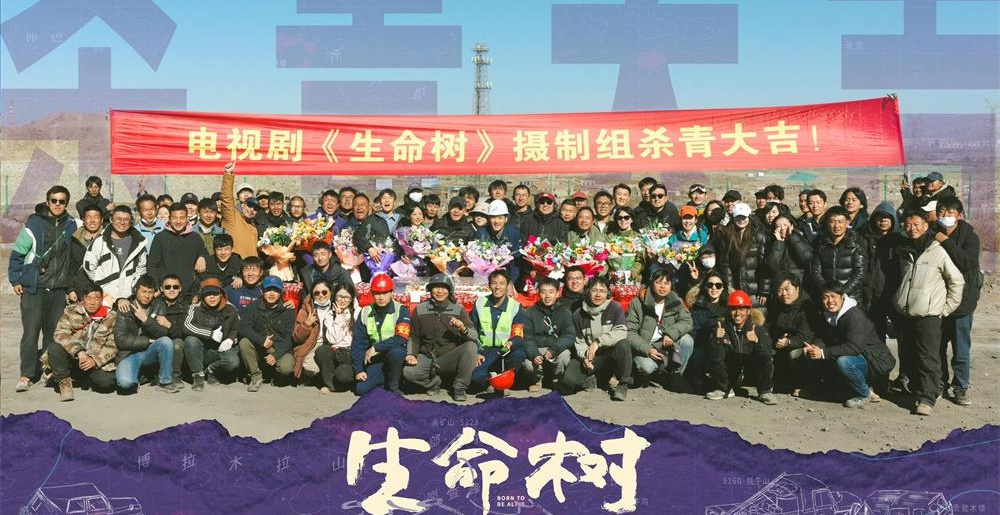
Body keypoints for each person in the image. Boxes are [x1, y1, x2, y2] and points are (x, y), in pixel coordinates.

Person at [893, 211, 964, 416]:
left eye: (916, 224)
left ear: (926, 226)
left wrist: (946, 308)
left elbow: (956, 281)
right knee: (908, 354)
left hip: (929, 315)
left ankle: (927, 398)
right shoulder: (904, 251)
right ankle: (916, 390)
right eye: (908, 225)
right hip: (905, 313)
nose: (912, 228)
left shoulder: (937, 251)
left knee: (928, 357)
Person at [10, 185, 79, 392]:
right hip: (35, 288)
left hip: (58, 289)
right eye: (54, 201)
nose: (58, 204)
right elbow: (17, 254)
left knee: (52, 334)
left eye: (62, 201)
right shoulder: (34, 225)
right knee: (31, 333)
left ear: (66, 203)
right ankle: (26, 374)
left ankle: (48, 371)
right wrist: (16, 280)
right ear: (48, 202)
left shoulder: (71, 225)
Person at [804, 282, 895, 408]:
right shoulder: (827, 315)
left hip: (874, 359)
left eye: (833, 296)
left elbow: (853, 347)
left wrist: (823, 353)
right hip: (858, 356)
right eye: (825, 297)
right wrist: (815, 347)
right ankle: (840, 389)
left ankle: (864, 393)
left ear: (842, 297)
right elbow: (822, 336)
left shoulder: (854, 315)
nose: (830, 301)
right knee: (811, 355)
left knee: (844, 362)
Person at [933, 197, 981, 406]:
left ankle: (960, 387)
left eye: (950, 212)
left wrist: (944, 241)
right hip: (938, 300)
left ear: (959, 215)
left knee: (961, 349)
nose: (945, 216)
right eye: (941, 211)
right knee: (937, 346)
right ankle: (940, 383)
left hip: (962, 301)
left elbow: (967, 262)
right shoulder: (932, 232)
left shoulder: (970, 237)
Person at [404, 274, 479, 402]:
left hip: (449, 358)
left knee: (471, 347)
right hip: (427, 357)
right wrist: (412, 354)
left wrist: (462, 328)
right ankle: (434, 383)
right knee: (409, 372)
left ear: (449, 290)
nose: (440, 291)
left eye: (444, 287)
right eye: (436, 287)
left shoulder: (458, 309)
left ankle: (460, 387)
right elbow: (414, 335)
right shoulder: (420, 309)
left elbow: (474, 335)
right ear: (430, 290)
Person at [563, 276, 632, 400]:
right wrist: (584, 357)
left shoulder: (615, 308)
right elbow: (579, 342)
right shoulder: (578, 314)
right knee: (569, 380)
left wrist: (598, 342)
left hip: (610, 354)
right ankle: (593, 379)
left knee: (623, 345)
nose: (598, 294)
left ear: (608, 293)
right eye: (594, 290)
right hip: (591, 356)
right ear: (588, 291)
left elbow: (621, 332)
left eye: (602, 291)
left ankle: (623, 384)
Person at [625, 268, 695, 391]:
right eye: (658, 282)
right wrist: (647, 349)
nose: (662, 287)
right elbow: (629, 332)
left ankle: (675, 375)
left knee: (687, 340)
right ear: (651, 283)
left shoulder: (676, 301)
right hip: (646, 346)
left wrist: (670, 334)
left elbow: (687, 321)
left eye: (666, 283)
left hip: (666, 345)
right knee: (646, 367)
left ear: (671, 285)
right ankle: (650, 376)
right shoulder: (637, 303)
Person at [47, 283, 118, 400]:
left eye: (96, 299)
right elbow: (60, 333)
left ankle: (80, 379)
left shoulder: (110, 317)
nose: (92, 302)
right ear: (82, 299)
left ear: (102, 300)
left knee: (106, 383)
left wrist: (95, 360)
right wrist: (79, 351)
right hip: (74, 357)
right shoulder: (71, 312)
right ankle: (64, 381)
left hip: (93, 361)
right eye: (88, 298)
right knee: (54, 348)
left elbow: (113, 345)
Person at [705, 290, 776, 405]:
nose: (737, 313)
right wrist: (716, 341)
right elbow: (714, 357)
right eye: (734, 309)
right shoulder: (720, 327)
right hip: (730, 373)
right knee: (715, 353)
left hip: (751, 372)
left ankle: (765, 391)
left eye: (741, 309)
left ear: (748, 311)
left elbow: (768, 354)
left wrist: (757, 341)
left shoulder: (758, 328)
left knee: (764, 356)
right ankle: (723, 389)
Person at [112, 275, 180, 394]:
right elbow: (121, 340)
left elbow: (163, 333)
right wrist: (147, 341)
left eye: (150, 292)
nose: (147, 296)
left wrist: (146, 320)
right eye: (144, 291)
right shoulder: (125, 307)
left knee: (166, 342)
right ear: (136, 290)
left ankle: (165, 382)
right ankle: (140, 374)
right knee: (125, 383)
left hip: (149, 352)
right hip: (129, 354)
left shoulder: (158, 305)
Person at [348, 274, 409, 395]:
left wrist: (376, 347)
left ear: (391, 293)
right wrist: (358, 370)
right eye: (377, 293)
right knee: (361, 389)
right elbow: (358, 343)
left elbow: (401, 337)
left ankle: (394, 387)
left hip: (395, 356)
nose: (381, 297)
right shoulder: (365, 311)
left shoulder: (401, 310)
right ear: (372, 294)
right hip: (376, 359)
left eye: (385, 293)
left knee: (397, 352)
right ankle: (385, 379)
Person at [469, 270, 526, 394]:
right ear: (489, 285)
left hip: (505, 350)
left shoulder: (515, 307)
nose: (498, 287)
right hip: (485, 351)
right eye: (494, 283)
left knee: (519, 354)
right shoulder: (480, 303)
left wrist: (511, 343)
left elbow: (518, 334)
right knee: (475, 378)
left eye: (502, 283)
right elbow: (471, 329)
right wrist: (476, 351)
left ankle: (505, 382)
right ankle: (491, 381)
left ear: (507, 286)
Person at [766, 273, 823, 394]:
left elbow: (805, 337)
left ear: (797, 288)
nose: (783, 294)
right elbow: (771, 327)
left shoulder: (807, 307)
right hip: (784, 341)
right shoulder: (777, 304)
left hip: (809, 343)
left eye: (787, 289)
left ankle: (806, 385)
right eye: (779, 290)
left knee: (794, 354)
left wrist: (788, 342)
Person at [239, 276, 296, 391]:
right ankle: (255, 376)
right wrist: (261, 340)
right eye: (268, 290)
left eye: (276, 290)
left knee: (286, 367)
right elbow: (243, 328)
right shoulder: (253, 306)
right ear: (262, 291)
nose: (272, 293)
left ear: (281, 292)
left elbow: (289, 338)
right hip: (260, 345)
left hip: (279, 347)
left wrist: (276, 355)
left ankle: (275, 376)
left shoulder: (288, 310)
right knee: (244, 343)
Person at [182, 278, 240, 391]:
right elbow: (187, 326)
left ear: (221, 294)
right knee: (190, 340)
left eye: (215, 293)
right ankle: (198, 375)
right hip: (202, 350)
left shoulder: (231, 308)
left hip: (220, 349)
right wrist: (210, 333)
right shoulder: (194, 308)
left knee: (233, 362)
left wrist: (230, 340)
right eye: (208, 294)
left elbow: (236, 328)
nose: (212, 297)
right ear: (202, 296)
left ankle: (211, 371)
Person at [83, 205, 147, 306]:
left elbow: (142, 267)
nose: (122, 222)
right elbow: (89, 266)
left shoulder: (139, 242)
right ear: (111, 220)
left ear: (131, 221)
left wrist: (133, 286)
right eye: (118, 219)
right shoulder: (100, 242)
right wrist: (102, 282)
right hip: (105, 298)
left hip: (130, 298)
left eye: (126, 219)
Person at [294, 279, 351, 392]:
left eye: (324, 292)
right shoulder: (306, 309)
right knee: (311, 368)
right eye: (317, 293)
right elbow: (297, 337)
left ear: (331, 293)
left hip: (335, 343)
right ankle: (317, 378)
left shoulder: (338, 306)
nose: (321, 295)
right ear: (312, 295)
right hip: (314, 344)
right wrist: (306, 324)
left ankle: (331, 379)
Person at [521, 277, 575, 392]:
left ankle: (557, 380)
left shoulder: (565, 312)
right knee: (528, 364)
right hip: (538, 348)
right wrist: (534, 354)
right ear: (538, 293)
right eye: (543, 292)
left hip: (555, 348)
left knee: (565, 355)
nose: (547, 296)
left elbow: (569, 336)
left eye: (551, 292)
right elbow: (527, 337)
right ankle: (537, 380)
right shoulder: (530, 312)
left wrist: (553, 350)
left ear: (557, 293)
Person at [149, 203, 208, 299]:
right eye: (175, 218)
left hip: (189, 294)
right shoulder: (160, 238)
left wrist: (202, 257)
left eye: (182, 218)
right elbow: (152, 265)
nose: (178, 221)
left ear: (187, 218)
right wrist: (157, 287)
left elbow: (204, 253)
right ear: (169, 219)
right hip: (166, 292)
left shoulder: (195, 238)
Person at [808, 206, 867, 304]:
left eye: (840, 222)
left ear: (847, 222)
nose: (836, 226)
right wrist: (828, 292)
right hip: (827, 298)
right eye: (832, 221)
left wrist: (841, 293)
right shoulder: (820, 243)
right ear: (827, 222)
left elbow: (860, 273)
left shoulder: (857, 243)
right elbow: (816, 271)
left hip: (850, 298)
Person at [717, 203, 770, 309]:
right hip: (736, 285)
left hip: (756, 288)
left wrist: (764, 290)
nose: (741, 220)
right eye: (738, 217)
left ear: (749, 217)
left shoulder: (758, 236)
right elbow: (725, 265)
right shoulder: (726, 236)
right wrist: (730, 287)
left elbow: (765, 265)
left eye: (744, 217)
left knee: (757, 315)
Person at [686, 271, 730, 389]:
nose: (714, 288)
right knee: (697, 353)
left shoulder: (729, 308)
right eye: (710, 285)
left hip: (725, 346)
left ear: (723, 288)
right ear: (705, 287)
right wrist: (711, 334)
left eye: (718, 285)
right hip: (703, 346)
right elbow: (693, 332)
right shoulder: (697, 307)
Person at [149, 274, 190, 387]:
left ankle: (175, 376)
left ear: (180, 288)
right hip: (158, 339)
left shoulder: (185, 306)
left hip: (176, 339)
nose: (171, 290)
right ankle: (153, 374)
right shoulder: (154, 303)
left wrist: (168, 325)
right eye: (167, 287)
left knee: (177, 344)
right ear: (161, 289)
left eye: (175, 287)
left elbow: (183, 331)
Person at [475, 200, 525, 284]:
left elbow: (516, 262)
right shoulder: (481, 233)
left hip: (507, 276)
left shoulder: (514, 233)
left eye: (500, 218)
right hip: (485, 277)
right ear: (488, 218)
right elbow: (476, 260)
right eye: (493, 217)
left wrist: (510, 282)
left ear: (506, 219)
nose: (496, 221)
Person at [219, 161, 260, 259]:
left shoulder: (254, 227)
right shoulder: (232, 216)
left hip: (251, 266)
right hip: (234, 265)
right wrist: (228, 174)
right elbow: (226, 198)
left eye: (255, 208)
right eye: (249, 205)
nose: (252, 210)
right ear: (243, 204)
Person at [765, 215, 812, 283]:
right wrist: (779, 242)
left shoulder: (800, 238)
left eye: (785, 225)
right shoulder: (772, 243)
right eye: (778, 226)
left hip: (799, 282)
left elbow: (807, 258)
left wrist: (792, 237)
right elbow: (772, 266)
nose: (782, 228)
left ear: (791, 226)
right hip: (780, 283)